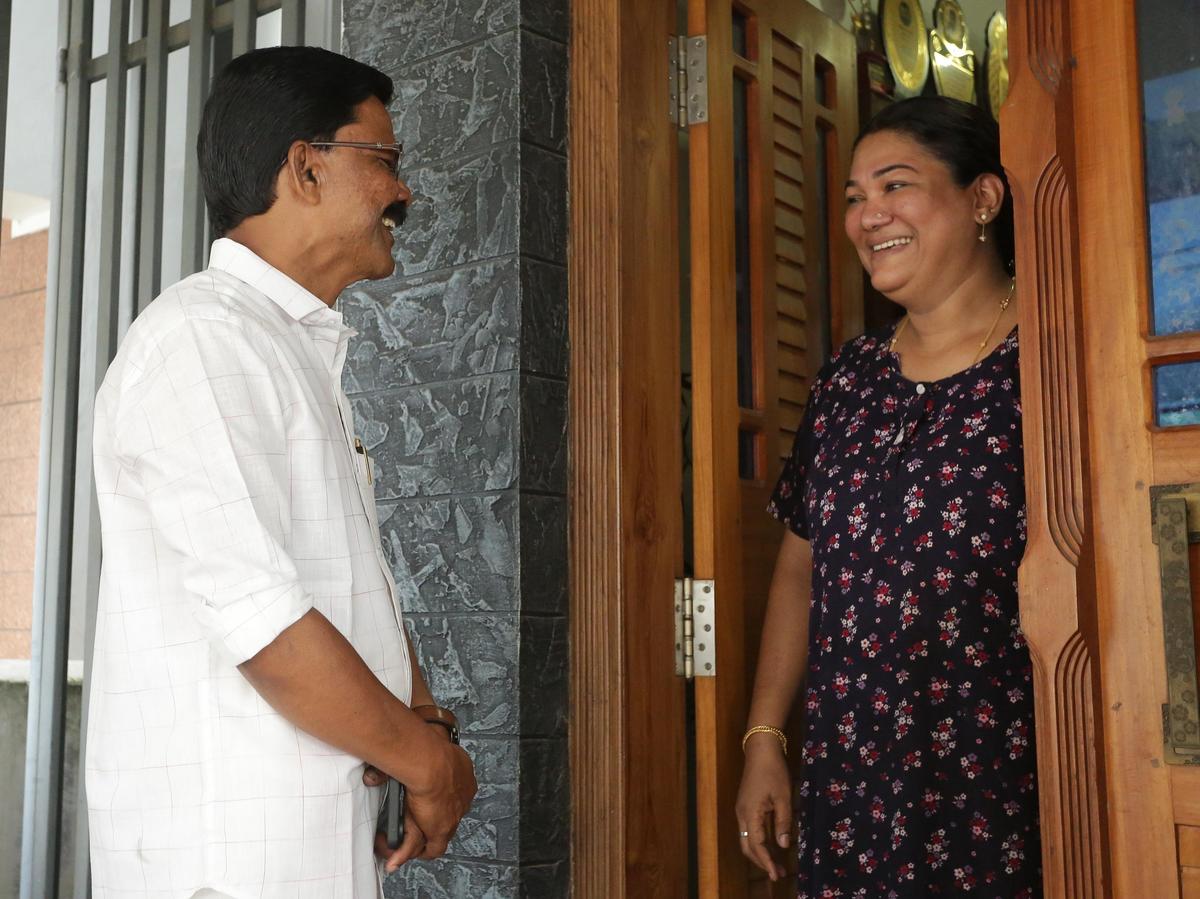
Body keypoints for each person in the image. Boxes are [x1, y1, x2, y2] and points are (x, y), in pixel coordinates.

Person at [86, 46, 476, 898]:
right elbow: (264, 620)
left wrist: (421, 720)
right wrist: (430, 765)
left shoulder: (283, 346)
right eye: (387, 162)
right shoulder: (201, 341)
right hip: (228, 864)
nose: (402, 193)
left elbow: (341, 581)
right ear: (306, 167)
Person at [735, 96, 1041, 898]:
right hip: (855, 784)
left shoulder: (1047, 365)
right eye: (852, 197)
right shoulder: (848, 380)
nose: (869, 215)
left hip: (1006, 774)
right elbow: (802, 571)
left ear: (983, 198)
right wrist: (764, 736)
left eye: (895, 186)